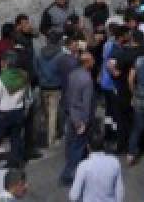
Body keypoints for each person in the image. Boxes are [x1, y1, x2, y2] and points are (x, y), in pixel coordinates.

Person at [0, 50, 33, 166]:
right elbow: (29, 98)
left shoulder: (1, 79)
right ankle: (16, 163)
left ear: (6, 63)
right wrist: (25, 110)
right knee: (16, 140)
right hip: (18, 112)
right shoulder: (24, 77)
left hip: (3, 114)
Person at [60, 52, 96, 187]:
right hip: (80, 118)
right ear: (86, 62)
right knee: (77, 147)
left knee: (73, 146)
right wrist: (84, 122)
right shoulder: (87, 79)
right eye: (92, 59)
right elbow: (87, 104)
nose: (94, 61)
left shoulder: (73, 74)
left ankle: (82, 172)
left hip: (71, 114)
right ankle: (67, 175)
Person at [68, 131, 124, 202]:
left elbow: (74, 196)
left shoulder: (83, 166)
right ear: (104, 145)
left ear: (88, 146)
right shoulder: (115, 162)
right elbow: (119, 193)